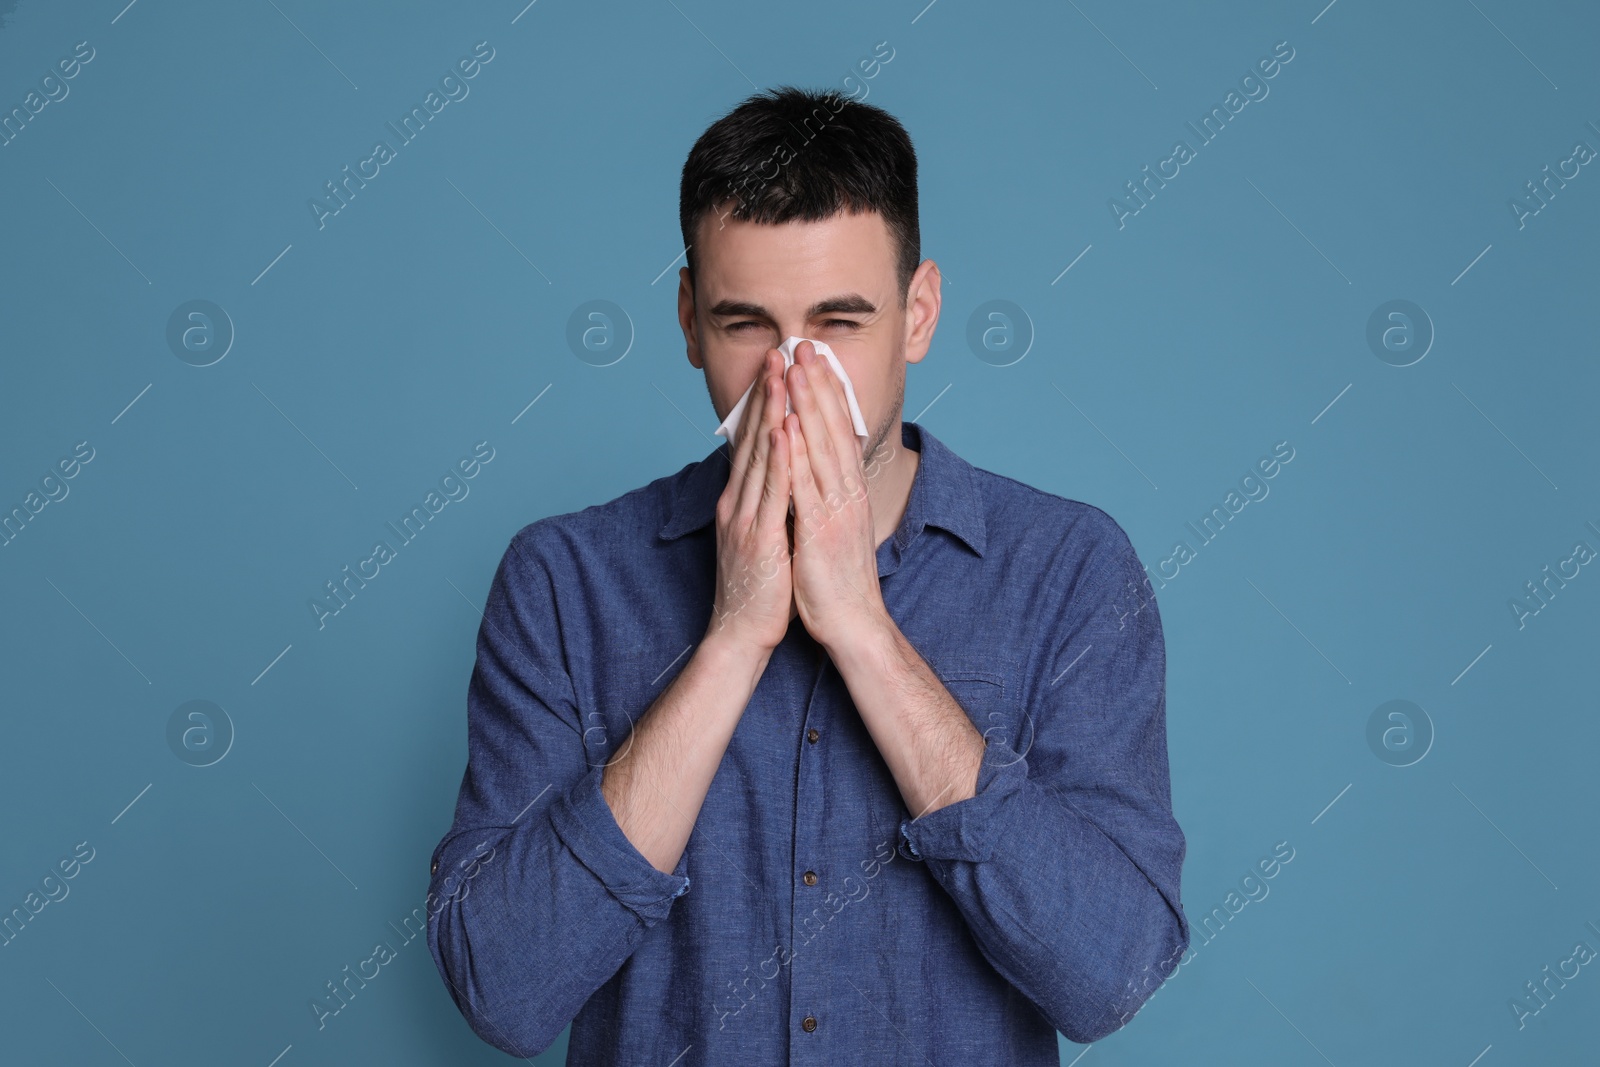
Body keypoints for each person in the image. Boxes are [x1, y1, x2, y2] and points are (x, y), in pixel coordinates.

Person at [426, 85, 1189, 1064]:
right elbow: (505, 990)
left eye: (838, 323)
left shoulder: (1068, 570)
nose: (791, 375)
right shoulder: (562, 580)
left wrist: (864, 632)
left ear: (916, 315)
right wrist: (734, 638)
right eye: (747, 323)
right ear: (689, 319)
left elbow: (1109, 973)